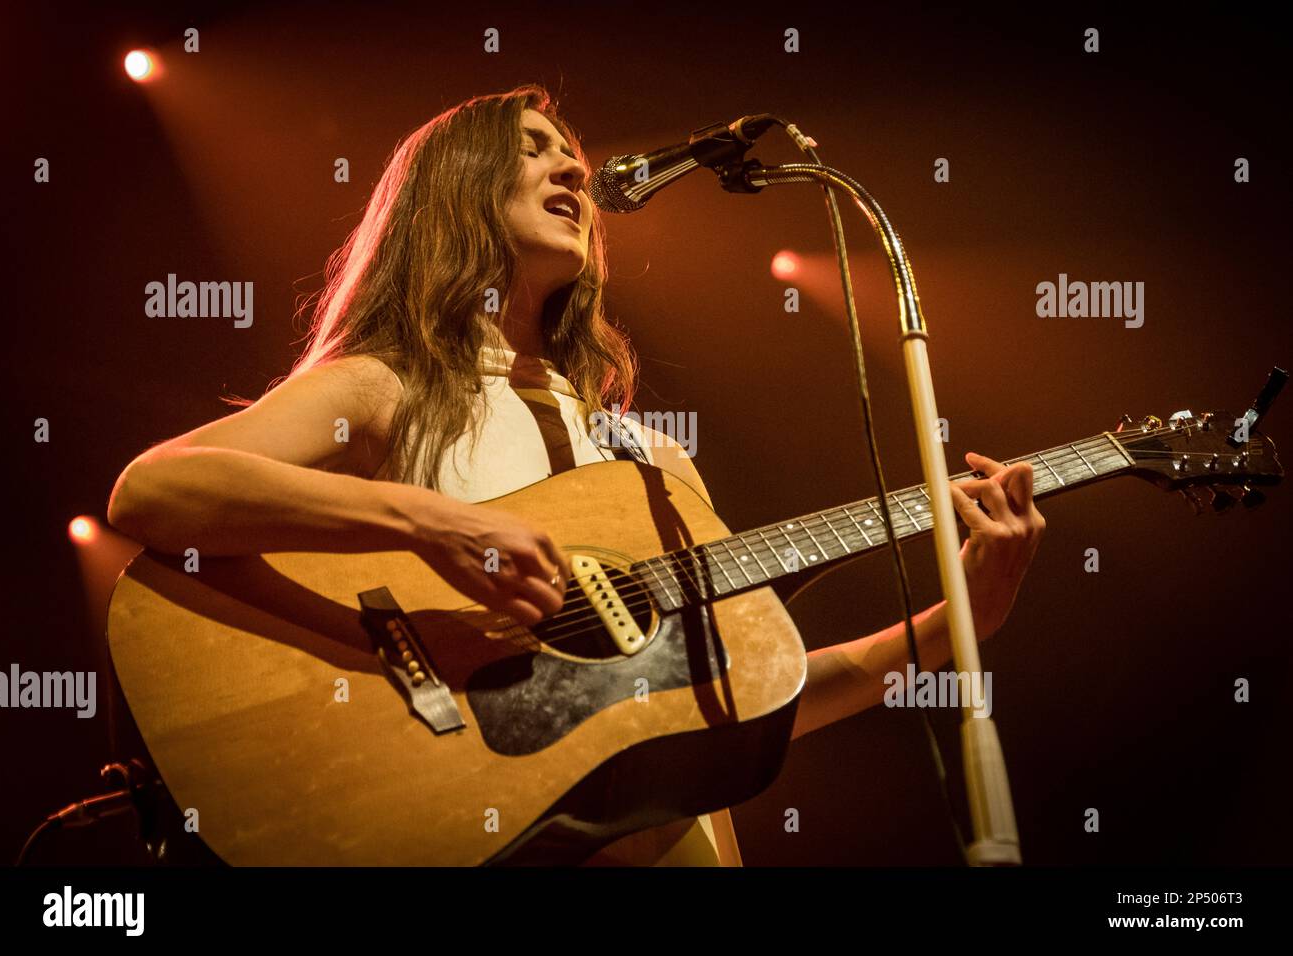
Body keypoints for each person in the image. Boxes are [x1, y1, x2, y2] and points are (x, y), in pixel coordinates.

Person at [107, 84, 1046, 866]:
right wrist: (434, 524)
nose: (573, 171)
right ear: (458, 190)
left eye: (576, 161)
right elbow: (153, 492)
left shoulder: (650, 466)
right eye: (534, 150)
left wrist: (961, 619)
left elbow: (736, 699)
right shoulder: (385, 385)